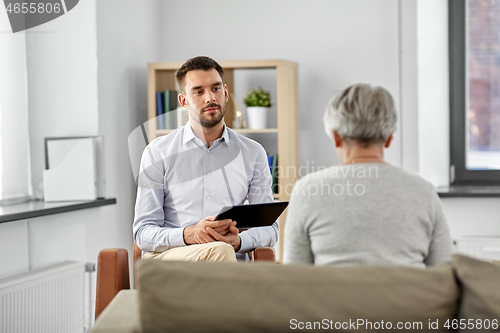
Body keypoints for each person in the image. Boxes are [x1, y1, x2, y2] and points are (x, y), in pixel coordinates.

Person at [283, 83, 452, 267]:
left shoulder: (307, 191)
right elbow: (444, 275)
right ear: (389, 138)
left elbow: (294, 279)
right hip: (407, 296)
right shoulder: (424, 192)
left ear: (337, 137)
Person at [133, 56, 277, 262]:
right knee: (221, 252)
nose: (210, 98)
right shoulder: (157, 153)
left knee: (223, 252)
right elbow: (142, 232)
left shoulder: (253, 152)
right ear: (184, 101)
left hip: (228, 260)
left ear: (225, 93)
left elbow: (270, 229)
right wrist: (189, 234)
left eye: (216, 88)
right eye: (198, 91)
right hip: (172, 260)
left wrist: (239, 241)